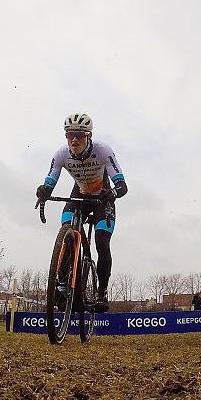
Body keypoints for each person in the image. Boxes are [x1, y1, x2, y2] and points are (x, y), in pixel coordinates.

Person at [36, 113, 128, 312]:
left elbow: (122, 185)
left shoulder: (103, 151)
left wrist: (112, 192)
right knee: (67, 231)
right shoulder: (61, 154)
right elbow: (50, 180)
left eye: (79, 134)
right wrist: (44, 191)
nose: (74, 140)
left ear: (89, 136)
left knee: (102, 242)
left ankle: (102, 292)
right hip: (79, 197)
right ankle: (62, 284)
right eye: (70, 135)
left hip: (102, 199)